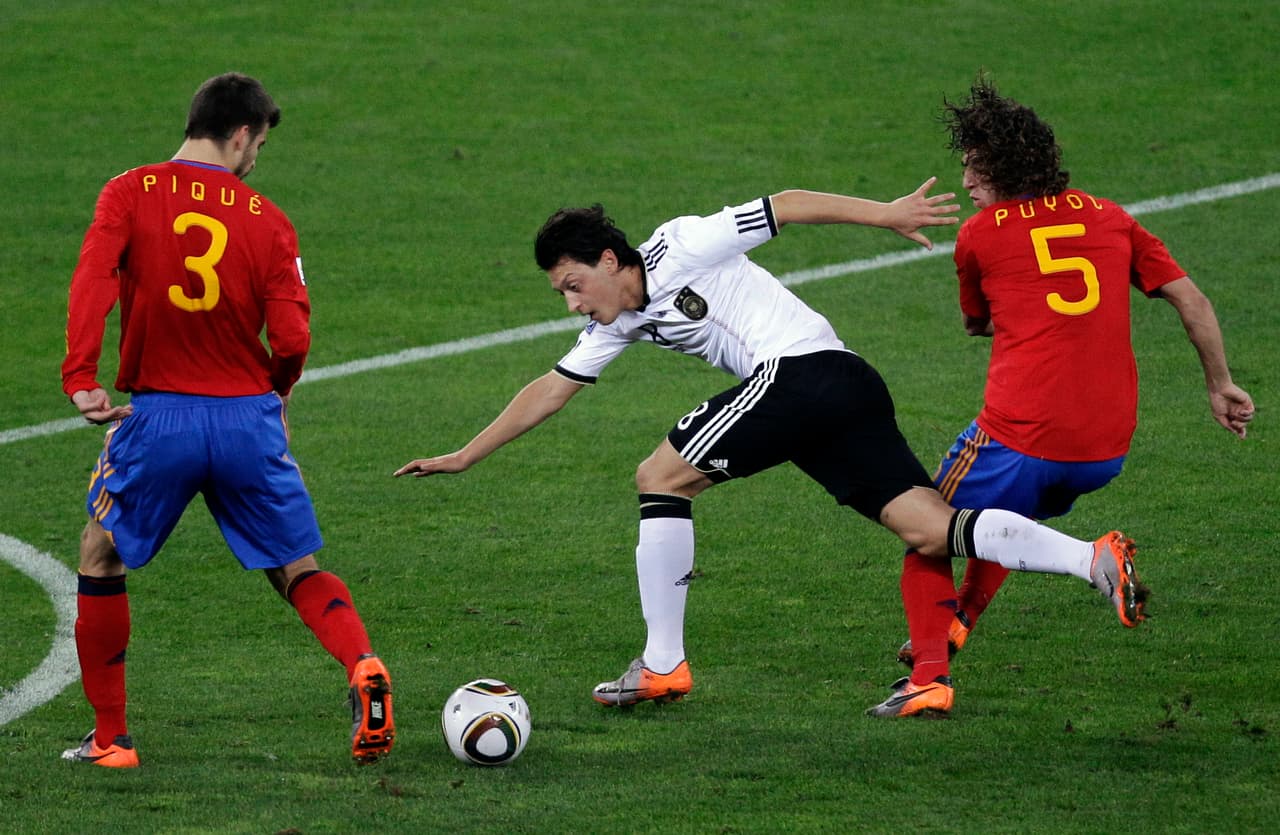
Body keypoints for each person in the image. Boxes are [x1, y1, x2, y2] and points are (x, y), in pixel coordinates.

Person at [396, 179, 1147, 717]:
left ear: (607, 256)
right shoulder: (615, 321)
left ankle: (663, 664)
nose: (571, 302)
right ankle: (1092, 558)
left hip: (803, 375)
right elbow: (550, 387)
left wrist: (884, 214)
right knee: (926, 526)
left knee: (660, 475)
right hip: (845, 386)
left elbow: (781, 206)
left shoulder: (682, 242)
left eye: (572, 283)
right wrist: (468, 453)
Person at [59, 72, 394, 767]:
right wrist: (276, 395)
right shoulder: (268, 220)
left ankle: (111, 738)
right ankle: (362, 664)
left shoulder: (129, 191)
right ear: (240, 133)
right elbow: (294, 335)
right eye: (259, 144)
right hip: (247, 420)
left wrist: (81, 377)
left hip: (160, 418)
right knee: (294, 565)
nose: (255, 159)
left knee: (101, 553)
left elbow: (93, 277)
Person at [891, 77, 1256, 713]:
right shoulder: (1111, 216)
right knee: (1001, 523)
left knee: (926, 528)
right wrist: (1220, 383)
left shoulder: (980, 234)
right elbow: (1189, 297)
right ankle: (960, 623)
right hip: (1104, 447)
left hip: (1022, 433)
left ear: (1003, 167)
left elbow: (976, 323)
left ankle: (929, 679)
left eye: (974, 170)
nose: (969, 185)